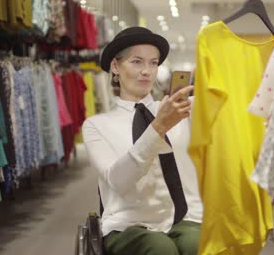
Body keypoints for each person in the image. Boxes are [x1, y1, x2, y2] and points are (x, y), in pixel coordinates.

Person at [82, 27, 203, 255]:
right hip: (128, 223)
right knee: (159, 248)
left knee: (198, 244)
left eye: (153, 63)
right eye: (137, 62)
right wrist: (158, 128)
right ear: (115, 67)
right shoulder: (97, 125)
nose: (147, 71)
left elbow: (231, 100)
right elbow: (117, 180)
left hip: (185, 217)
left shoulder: (181, 110)